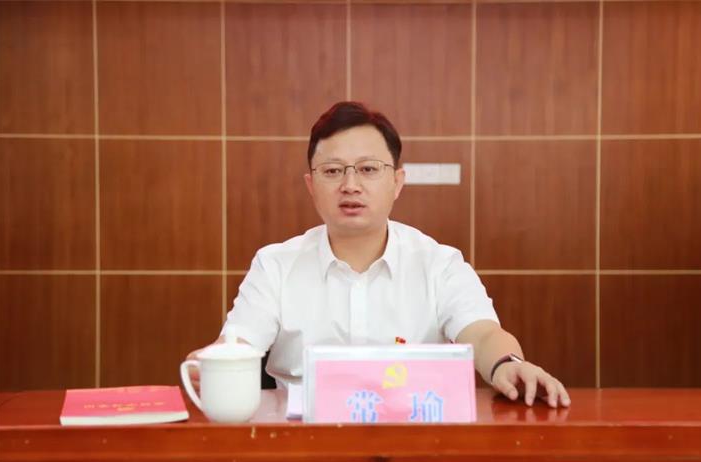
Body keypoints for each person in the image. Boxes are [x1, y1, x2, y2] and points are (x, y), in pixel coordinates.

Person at [187, 101, 570, 408]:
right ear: (311, 184)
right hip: (302, 445)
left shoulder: (439, 264)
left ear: (397, 182)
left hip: (414, 441)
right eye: (332, 171)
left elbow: (483, 334)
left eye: (368, 169)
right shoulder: (275, 265)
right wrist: (210, 363)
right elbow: (239, 343)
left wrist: (507, 365)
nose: (350, 185)